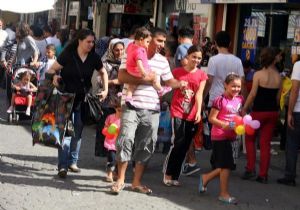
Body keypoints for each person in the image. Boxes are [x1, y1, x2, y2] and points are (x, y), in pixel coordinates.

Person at [110, 27, 186, 195]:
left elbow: (169, 80)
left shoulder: (162, 61)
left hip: (152, 109)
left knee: (146, 145)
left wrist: (181, 84)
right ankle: (120, 180)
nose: (162, 44)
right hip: (131, 106)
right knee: (125, 140)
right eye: (159, 40)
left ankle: (136, 182)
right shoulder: (132, 53)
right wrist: (148, 79)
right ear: (148, 40)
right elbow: (122, 77)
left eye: (164, 42)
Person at [46, 28, 108, 178]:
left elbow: (103, 72)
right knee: (65, 132)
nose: (91, 44)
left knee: (78, 131)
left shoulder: (93, 57)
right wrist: (54, 76)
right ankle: (62, 165)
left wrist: (105, 90)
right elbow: (51, 70)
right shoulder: (68, 55)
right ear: (80, 41)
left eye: (93, 42)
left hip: (83, 100)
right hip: (65, 98)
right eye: (88, 42)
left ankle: (73, 161)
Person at [163, 45, 207, 186]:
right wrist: (178, 84)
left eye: (199, 58)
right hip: (177, 110)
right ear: (187, 56)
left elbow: (199, 94)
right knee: (177, 142)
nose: (196, 60)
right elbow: (167, 84)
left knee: (186, 144)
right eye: (194, 57)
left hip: (192, 113)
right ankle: (168, 174)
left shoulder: (202, 75)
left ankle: (175, 176)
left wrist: (199, 111)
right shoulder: (177, 72)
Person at [199, 73, 244, 205]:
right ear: (225, 85)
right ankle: (223, 194)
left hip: (232, 136)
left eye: (238, 86)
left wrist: (244, 119)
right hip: (219, 135)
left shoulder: (239, 99)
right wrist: (224, 125)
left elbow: (239, 114)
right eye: (233, 86)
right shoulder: (219, 100)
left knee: (226, 165)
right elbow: (212, 118)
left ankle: (205, 178)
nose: (236, 89)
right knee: (226, 165)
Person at [241, 47, 282, 184]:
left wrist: (245, 107)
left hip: (258, 111)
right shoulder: (279, 77)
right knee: (265, 144)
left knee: (250, 139)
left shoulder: (258, 74)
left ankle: (250, 169)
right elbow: (278, 98)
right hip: (272, 112)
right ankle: (263, 174)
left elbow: (252, 94)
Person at [94, 38, 125, 157]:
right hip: (107, 102)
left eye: (122, 50)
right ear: (111, 50)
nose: (120, 52)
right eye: (117, 50)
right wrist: (113, 82)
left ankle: (117, 155)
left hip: (122, 102)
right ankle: (108, 155)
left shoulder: (125, 63)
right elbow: (98, 81)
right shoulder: (104, 63)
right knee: (107, 128)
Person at [277, 56, 300, 186]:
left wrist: (289, 112)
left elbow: (295, 90)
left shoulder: (298, 65)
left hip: (298, 111)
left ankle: (290, 176)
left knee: (292, 144)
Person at [125, 27, 162, 107]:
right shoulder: (140, 50)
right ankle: (160, 90)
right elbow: (139, 62)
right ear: (141, 40)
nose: (148, 44)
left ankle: (128, 96)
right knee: (154, 75)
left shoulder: (131, 45)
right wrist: (143, 72)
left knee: (132, 84)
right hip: (137, 70)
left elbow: (126, 51)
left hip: (130, 69)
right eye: (147, 42)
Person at [103, 95, 121, 182]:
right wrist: (107, 131)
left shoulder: (125, 119)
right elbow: (105, 127)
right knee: (111, 158)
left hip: (120, 143)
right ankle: (109, 174)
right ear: (115, 108)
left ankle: (115, 173)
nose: (120, 113)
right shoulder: (110, 117)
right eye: (119, 110)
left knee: (119, 160)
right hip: (111, 143)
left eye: (123, 111)